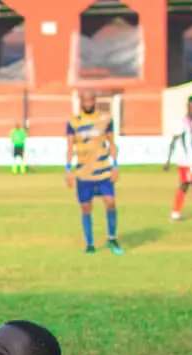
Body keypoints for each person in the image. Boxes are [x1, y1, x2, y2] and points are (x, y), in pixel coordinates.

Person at [65, 90, 122, 255]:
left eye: (91, 100)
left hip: (103, 170)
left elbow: (112, 144)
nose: (88, 103)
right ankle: (90, 244)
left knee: (110, 202)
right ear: (81, 102)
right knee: (85, 207)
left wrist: (115, 165)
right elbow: (69, 147)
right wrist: (68, 169)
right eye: (85, 100)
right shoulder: (73, 122)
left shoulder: (105, 119)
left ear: (95, 101)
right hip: (83, 173)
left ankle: (112, 238)